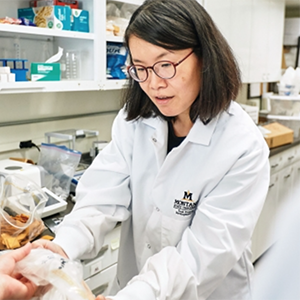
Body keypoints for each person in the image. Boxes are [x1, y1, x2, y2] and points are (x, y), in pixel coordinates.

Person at [33, 0, 270, 299]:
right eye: (141, 69)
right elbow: (101, 199)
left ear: (204, 56)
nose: (154, 84)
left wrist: (137, 294)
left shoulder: (242, 146)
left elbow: (201, 256)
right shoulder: (135, 123)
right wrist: (60, 248)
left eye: (165, 65)